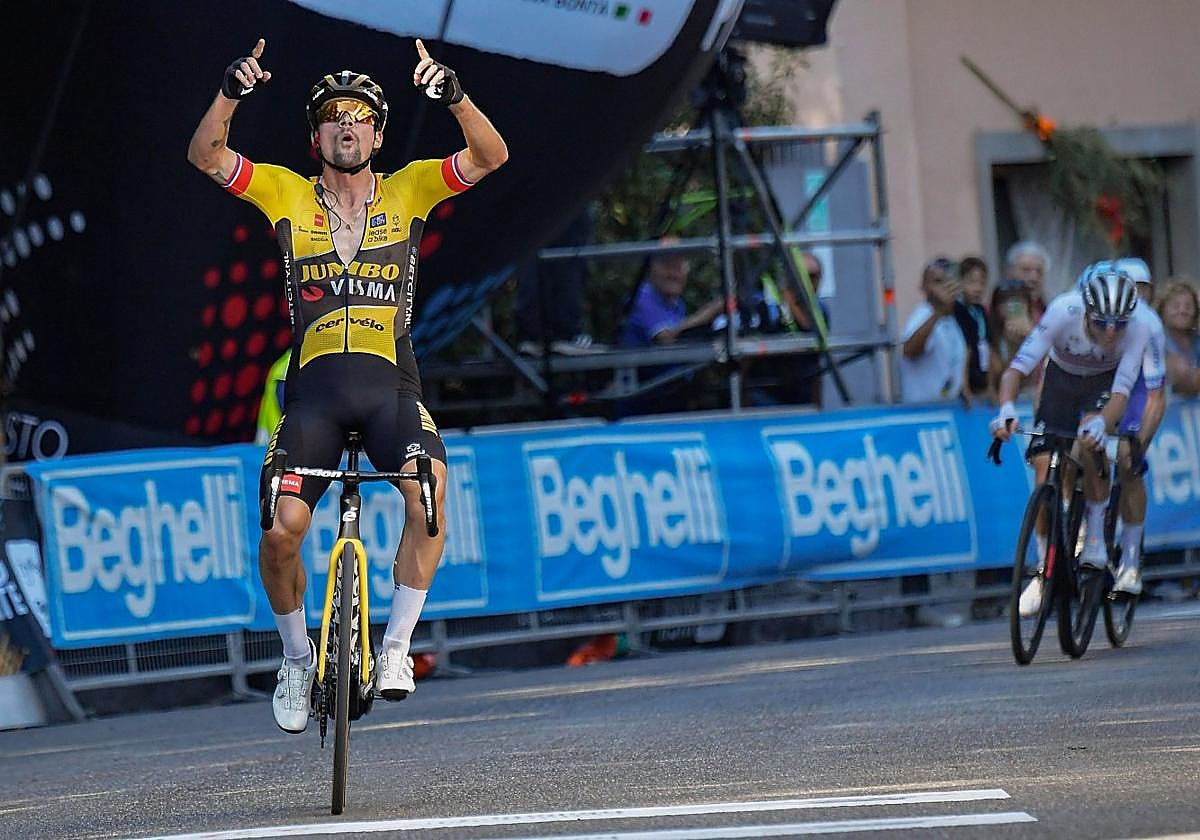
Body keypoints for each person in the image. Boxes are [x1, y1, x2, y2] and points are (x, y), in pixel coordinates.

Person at [187, 38, 508, 733]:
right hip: (315, 395)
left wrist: (453, 95)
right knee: (281, 534)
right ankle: (299, 658)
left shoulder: (411, 187)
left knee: (430, 497)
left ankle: (395, 649)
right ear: (316, 136)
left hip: (390, 388)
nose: (347, 124)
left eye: (360, 115)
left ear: (378, 133)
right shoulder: (285, 192)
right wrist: (230, 93)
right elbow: (207, 157)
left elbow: (491, 157)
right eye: (333, 115)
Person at [990, 263, 1154, 617]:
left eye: (1119, 325)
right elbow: (1017, 369)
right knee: (1042, 465)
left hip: (1104, 386)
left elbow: (1123, 391)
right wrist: (1005, 408)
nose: (1111, 333)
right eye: (1102, 323)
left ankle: (1095, 538)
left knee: (1091, 446)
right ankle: (1042, 570)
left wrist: (1102, 424)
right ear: (1086, 312)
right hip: (1061, 381)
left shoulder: (1139, 326)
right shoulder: (1063, 311)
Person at [1102, 258, 1167, 595]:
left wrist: (1140, 440)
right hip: (1101, 385)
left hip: (1138, 391)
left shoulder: (1149, 324)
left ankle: (1130, 560)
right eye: (1130, 289)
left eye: (1142, 290)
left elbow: (1157, 396)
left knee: (1129, 464)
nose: (1135, 297)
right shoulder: (1095, 309)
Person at [898, 256, 966, 404]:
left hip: (947, 408)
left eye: (948, 281)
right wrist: (938, 313)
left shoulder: (952, 319)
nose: (945, 287)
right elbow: (909, 351)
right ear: (923, 287)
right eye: (937, 282)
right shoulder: (922, 315)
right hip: (924, 413)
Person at [953, 256, 992, 401]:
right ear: (960, 282)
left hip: (981, 373)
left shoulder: (980, 311)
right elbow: (965, 349)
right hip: (965, 379)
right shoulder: (957, 311)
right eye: (971, 282)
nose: (977, 289)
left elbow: (988, 347)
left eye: (982, 283)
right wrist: (965, 387)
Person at [1157, 279, 1200, 396]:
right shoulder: (1156, 342)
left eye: (1188, 306)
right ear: (1162, 310)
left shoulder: (1196, 341)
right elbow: (1183, 379)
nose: (1182, 310)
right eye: (1175, 306)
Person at [1004, 240, 1050, 326]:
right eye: (1026, 270)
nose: (1034, 278)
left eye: (1039, 272)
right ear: (1010, 273)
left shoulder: (1049, 312)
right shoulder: (995, 310)